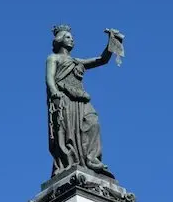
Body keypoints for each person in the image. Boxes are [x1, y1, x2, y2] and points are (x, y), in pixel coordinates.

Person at [46, 24, 123, 179]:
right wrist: (55, 92)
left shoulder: (76, 61)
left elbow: (102, 60)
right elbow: (49, 78)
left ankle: (91, 160)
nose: (71, 40)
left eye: (72, 38)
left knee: (93, 122)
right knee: (68, 132)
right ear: (59, 40)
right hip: (64, 99)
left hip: (81, 99)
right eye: (68, 37)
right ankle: (71, 160)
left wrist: (111, 42)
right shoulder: (53, 58)